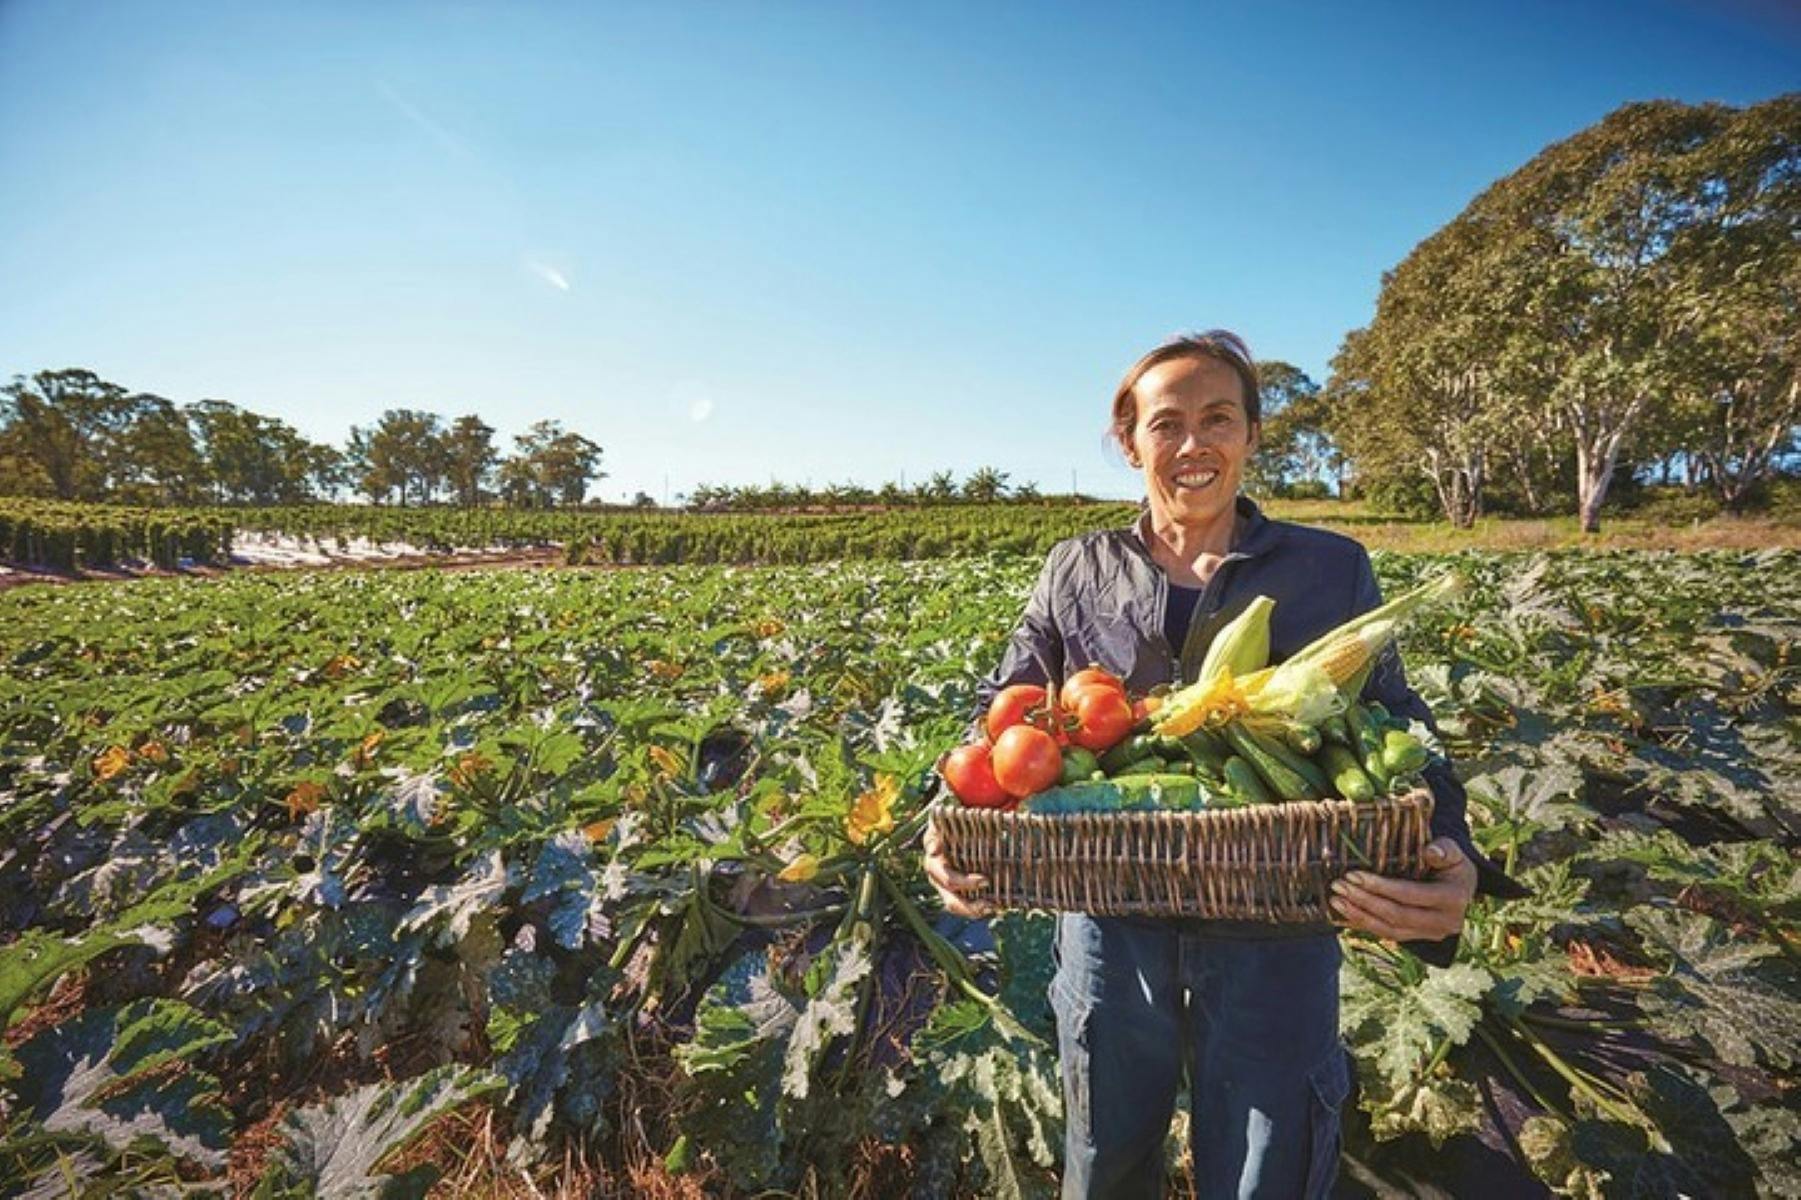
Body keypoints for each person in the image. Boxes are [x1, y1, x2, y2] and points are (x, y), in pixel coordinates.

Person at [921, 330, 1526, 1200]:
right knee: (1104, 1153)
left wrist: (1452, 851)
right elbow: (995, 714)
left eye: (1218, 419)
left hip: (1276, 923)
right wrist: (944, 823)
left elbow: (1398, 725)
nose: (1192, 444)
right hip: (1107, 919)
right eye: (1166, 424)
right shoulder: (1074, 569)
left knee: (1265, 1165)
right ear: (1130, 442)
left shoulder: (1327, 567)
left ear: (1250, 434)